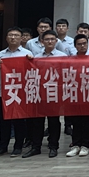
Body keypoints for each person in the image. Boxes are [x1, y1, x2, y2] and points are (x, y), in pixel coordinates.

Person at [23, 30, 67, 159]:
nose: (50, 41)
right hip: (40, 93)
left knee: (54, 121)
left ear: (56, 41)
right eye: (47, 39)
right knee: (37, 121)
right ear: (42, 42)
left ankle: (53, 146)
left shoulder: (62, 56)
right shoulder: (36, 57)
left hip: (55, 93)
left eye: (52, 39)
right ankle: (36, 147)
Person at [0, 27, 31, 158]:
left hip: (20, 94)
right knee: (3, 122)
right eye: (10, 35)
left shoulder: (27, 54)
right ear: (6, 38)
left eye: (16, 35)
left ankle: (18, 146)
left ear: (21, 38)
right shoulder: (1, 54)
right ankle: (2, 147)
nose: (13, 38)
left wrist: (30, 62)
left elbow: (32, 72)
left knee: (19, 122)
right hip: (3, 94)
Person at [66, 34, 89, 157]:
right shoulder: (71, 60)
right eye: (79, 44)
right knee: (76, 121)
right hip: (75, 94)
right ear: (75, 46)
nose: (82, 46)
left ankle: (85, 145)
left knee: (87, 121)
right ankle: (76, 144)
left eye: (84, 43)